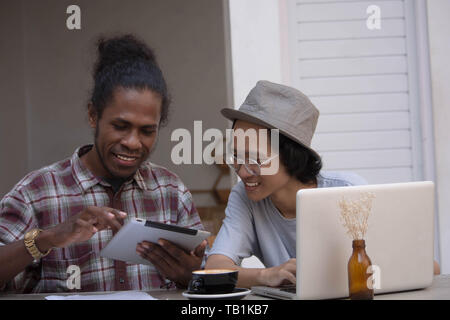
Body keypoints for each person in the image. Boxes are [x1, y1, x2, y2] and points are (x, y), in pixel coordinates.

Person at [0, 34, 207, 293]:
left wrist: (192, 277)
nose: (133, 142)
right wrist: (48, 238)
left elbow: (205, 279)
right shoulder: (36, 192)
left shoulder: (171, 192)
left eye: (146, 131)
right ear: (93, 115)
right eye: (120, 126)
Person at [206, 80, 441, 288]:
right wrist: (267, 275)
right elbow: (214, 268)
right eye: (236, 157)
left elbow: (427, 267)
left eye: (256, 160)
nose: (243, 172)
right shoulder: (245, 198)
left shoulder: (348, 191)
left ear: (290, 156)